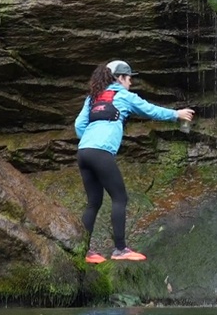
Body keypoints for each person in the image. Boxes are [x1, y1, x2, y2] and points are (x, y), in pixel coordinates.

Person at [74, 59, 194, 262]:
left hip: (84, 152)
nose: (130, 83)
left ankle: (83, 251)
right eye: (129, 79)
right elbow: (150, 110)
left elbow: (79, 125)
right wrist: (176, 114)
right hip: (101, 152)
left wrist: (92, 138)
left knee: (94, 202)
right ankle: (120, 249)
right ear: (120, 78)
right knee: (120, 198)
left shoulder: (93, 98)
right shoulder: (124, 96)